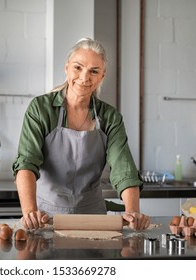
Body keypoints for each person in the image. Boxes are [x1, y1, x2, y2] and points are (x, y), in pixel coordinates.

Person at [12, 38, 150, 231]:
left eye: (94, 71)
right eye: (78, 67)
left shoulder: (109, 117)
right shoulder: (41, 109)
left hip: (92, 218)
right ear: (67, 67)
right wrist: (30, 213)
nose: (85, 78)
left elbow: (123, 169)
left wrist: (133, 211)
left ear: (102, 76)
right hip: (45, 218)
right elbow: (27, 163)